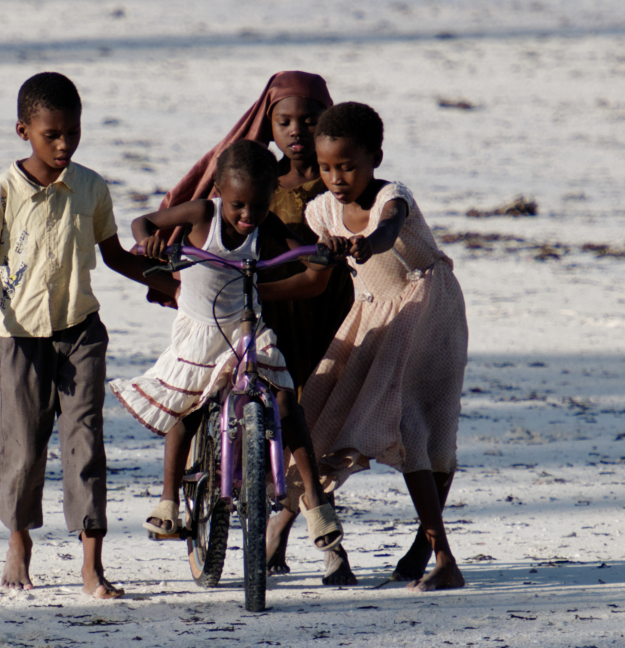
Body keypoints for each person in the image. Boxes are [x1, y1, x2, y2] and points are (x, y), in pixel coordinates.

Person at [0, 72, 177, 599]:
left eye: (72, 133)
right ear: (23, 130)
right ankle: (18, 540)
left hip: (81, 335)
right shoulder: (4, 192)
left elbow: (115, 254)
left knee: (86, 446)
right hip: (20, 340)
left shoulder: (92, 187)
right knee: (22, 449)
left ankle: (91, 565)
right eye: (50, 133)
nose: (62, 144)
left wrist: (166, 284)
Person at [153, 71, 356, 583]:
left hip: (320, 316)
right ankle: (273, 532)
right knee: (230, 404)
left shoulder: (338, 181)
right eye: (283, 120)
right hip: (252, 315)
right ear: (266, 122)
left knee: (310, 418)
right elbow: (167, 228)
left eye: (309, 121)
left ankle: (311, 531)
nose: (296, 131)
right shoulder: (255, 184)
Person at [110, 140, 344, 559]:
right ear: (218, 189)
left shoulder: (266, 227)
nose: (247, 216)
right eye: (237, 205)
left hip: (245, 330)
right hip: (200, 330)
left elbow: (307, 263)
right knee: (188, 408)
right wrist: (151, 243)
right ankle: (168, 501)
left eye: (257, 205)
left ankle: (315, 501)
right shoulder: (203, 214)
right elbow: (143, 222)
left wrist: (323, 256)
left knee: (287, 401)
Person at [305, 102, 469, 592]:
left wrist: (368, 242)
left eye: (348, 166)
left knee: (418, 427)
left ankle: (442, 557)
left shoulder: (391, 198)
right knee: (316, 410)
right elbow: (314, 263)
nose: (337, 178)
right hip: (374, 311)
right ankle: (429, 546)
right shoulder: (322, 211)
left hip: (428, 310)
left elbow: (389, 228)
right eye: (327, 168)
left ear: (375, 157)